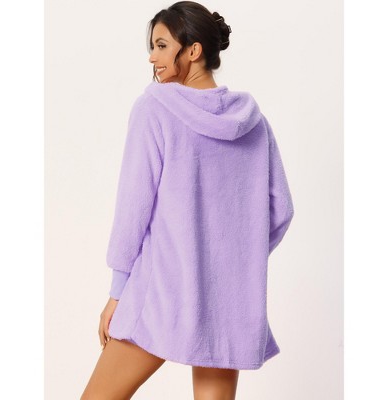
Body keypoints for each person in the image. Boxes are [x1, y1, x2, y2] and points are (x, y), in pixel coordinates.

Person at [80, 1, 294, 399]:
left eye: (162, 46)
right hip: (229, 300)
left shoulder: (155, 108)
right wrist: (233, 258)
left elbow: (133, 209)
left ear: (193, 50)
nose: (152, 57)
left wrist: (117, 293)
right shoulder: (253, 122)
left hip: (161, 293)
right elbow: (280, 210)